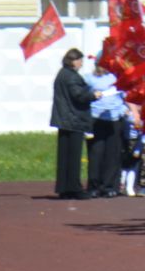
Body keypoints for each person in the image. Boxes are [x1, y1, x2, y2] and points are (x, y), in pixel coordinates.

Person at [49, 49, 97, 200]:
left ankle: (64, 187)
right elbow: (79, 96)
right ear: (73, 61)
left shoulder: (62, 74)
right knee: (74, 156)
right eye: (80, 60)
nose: (81, 63)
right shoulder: (72, 77)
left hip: (64, 119)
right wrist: (93, 95)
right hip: (74, 119)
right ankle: (74, 187)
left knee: (64, 156)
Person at [84, 60, 125, 197]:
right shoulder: (89, 78)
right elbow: (84, 95)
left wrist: (124, 110)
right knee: (96, 152)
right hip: (96, 118)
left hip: (114, 118)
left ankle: (108, 186)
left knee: (112, 154)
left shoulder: (116, 78)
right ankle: (94, 186)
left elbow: (123, 96)